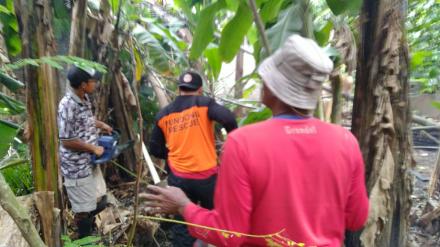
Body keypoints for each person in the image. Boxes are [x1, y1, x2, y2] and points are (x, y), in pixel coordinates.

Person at [141, 35, 369, 247]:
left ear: (273, 87)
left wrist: (183, 206)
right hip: (205, 175)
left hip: (182, 178)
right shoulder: (345, 141)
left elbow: (230, 234)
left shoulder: (243, 144)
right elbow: (356, 218)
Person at [148, 70, 237, 246]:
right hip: (207, 178)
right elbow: (228, 118)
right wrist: (233, 141)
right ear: (200, 90)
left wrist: (172, 154)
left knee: (182, 222)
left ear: (179, 89)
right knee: (214, 216)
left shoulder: (164, 114)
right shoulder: (204, 103)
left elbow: (154, 148)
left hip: (178, 179)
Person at [57, 65, 112, 238]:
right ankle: (84, 238)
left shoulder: (84, 98)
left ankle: (85, 229)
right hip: (76, 167)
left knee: (101, 200)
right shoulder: (67, 105)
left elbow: (86, 120)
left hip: (89, 162)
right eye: (92, 81)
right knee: (84, 209)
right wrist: (93, 148)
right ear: (82, 84)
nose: (95, 84)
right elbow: (66, 141)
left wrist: (101, 125)